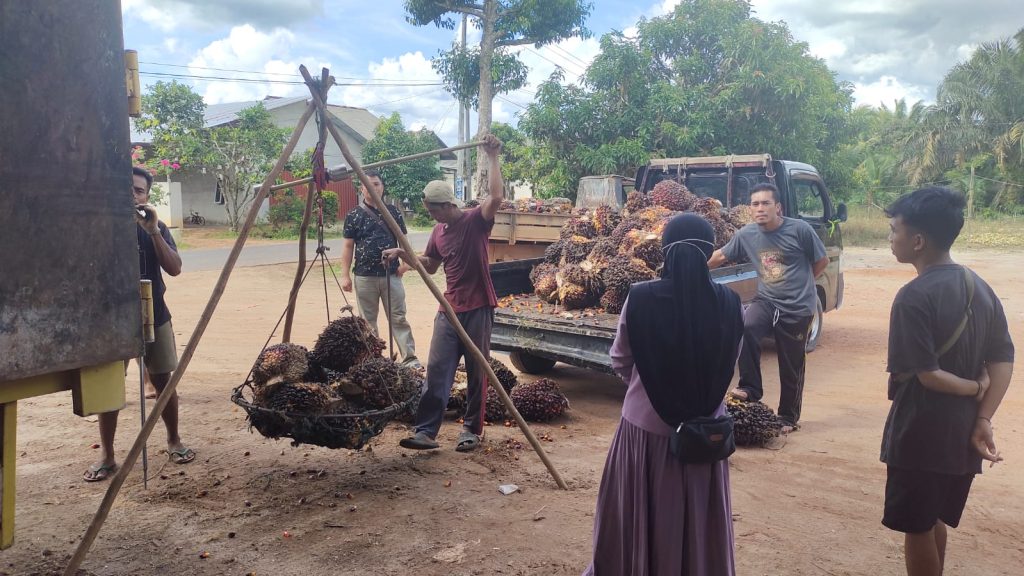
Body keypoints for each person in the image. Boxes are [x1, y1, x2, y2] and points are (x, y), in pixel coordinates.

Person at [585, 214, 743, 575]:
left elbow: (621, 359)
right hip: (706, 434)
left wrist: (649, 389)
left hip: (646, 432)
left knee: (640, 514)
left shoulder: (640, 297)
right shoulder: (731, 302)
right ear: (708, 253)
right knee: (698, 519)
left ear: (666, 251)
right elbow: (729, 363)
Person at [880, 187, 1013, 576]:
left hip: (921, 431)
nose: (890, 239)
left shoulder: (913, 297)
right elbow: (1003, 359)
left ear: (918, 241)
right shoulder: (980, 287)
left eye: (894, 231)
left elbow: (928, 376)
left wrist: (974, 388)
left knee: (917, 527)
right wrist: (983, 417)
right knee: (934, 516)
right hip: (961, 432)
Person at [383, 134, 504, 452]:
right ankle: (426, 431)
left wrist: (492, 157)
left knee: (478, 370)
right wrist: (403, 255)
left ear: (448, 205)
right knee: (437, 368)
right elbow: (430, 265)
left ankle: (471, 431)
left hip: (478, 306)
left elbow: (496, 197)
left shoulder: (476, 220)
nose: (431, 216)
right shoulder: (438, 232)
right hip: (449, 308)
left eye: (434, 210)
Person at [83, 167, 195, 481]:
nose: (133, 195)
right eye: (128, 188)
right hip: (111, 322)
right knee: (110, 389)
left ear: (146, 196)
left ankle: (174, 439)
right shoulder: (98, 226)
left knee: (163, 382)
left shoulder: (154, 227)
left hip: (154, 315)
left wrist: (154, 231)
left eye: (139, 191)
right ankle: (107, 456)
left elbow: (174, 269)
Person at [708, 182, 828, 433]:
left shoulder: (800, 230)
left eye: (766, 203)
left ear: (778, 207)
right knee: (747, 327)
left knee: (791, 362)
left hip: (797, 307)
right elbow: (720, 256)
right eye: (755, 204)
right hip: (767, 300)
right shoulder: (747, 235)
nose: (760, 208)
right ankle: (751, 387)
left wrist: (801, 287)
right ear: (750, 209)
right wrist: (688, 268)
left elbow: (821, 261)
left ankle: (788, 417)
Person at [340, 169, 418, 367]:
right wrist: (345, 276)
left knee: (398, 317)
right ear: (361, 189)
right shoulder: (354, 215)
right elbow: (348, 246)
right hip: (364, 276)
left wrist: (406, 265)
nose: (372, 188)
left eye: (376, 184)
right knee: (367, 322)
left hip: (391, 274)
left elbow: (403, 240)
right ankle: (374, 360)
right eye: (367, 184)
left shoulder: (393, 212)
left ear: (382, 187)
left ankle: (409, 358)